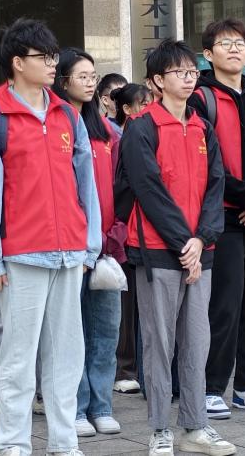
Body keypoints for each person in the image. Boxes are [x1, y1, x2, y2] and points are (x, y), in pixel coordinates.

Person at [0, 18, 101, 456]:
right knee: (18, 357)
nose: (53, 64)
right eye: (45, 57)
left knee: (67, 354)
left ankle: (64, 441)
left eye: (54, 56)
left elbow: (86, 185)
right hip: (20, 254)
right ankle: (14, 443)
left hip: (69, 252)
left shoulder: (66, 114)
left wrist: (89, 246)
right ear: (18, 63)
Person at [118, 38, 233, 456]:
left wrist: (202, 239)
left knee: (197, 340)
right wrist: (185, 242)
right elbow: (148, 189)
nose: (188, 79)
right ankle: (159, 429)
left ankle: (195, 425)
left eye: (191, 71)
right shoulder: (141, 127)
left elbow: (216, 186)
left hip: (199, 251)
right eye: (178, 72)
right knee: (159, 343)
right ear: (156, 81)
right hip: (158, 251)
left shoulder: (203, 126)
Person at [189, 18, 245, 419]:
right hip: (223, 217)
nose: (235, 49)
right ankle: (211, 388)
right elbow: (206, 162)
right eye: (225, 44)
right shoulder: (200, 98)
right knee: (224, 306)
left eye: (240, 43)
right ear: (208, 54)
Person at [51, 48, 125, 438]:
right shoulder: (55, 127)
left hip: (106, 246)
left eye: (92, 75)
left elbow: (122, 187)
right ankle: (76, 407)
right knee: (71, 331)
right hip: (67, 245)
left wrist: (114, 234)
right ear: (62, 81)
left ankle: (101, 405)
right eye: (81, 76)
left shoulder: (109, 133)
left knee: (105, 330)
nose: (90, 82)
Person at [109, 82, 150, 396]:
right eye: (142, 103)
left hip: (148, 231)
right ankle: (125, 367)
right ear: (126, 109)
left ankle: (137, 367)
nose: (148, 107)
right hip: (126, 230)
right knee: (126, 302)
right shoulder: (119, 140)